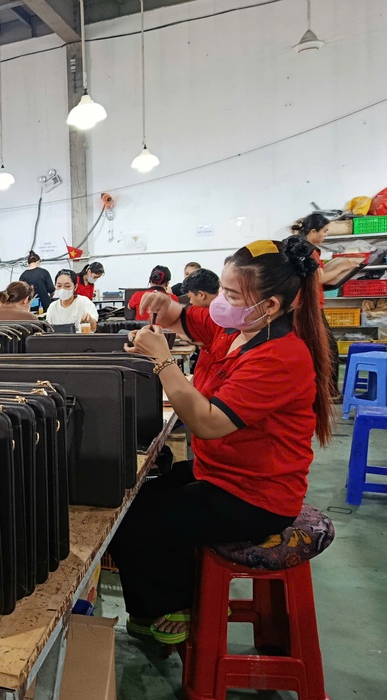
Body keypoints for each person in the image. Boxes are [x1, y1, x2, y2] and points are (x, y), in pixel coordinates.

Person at [108, 237, 332, 647]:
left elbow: (208, 423)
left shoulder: (280, 356)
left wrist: (162, 361)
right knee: (131, 502)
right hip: (221, 472)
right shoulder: (235, 331)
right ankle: (149, 606)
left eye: (231, 295)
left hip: (256, 495)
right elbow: (180, 315)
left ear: (270, 306)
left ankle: (185, 604)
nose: (220, 302)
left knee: (141, 522)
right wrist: (160, 304)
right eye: (222, 290)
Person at [290, 212, 363, 397]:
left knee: (314, 347)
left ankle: (319, 389)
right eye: (324, 231)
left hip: (302, 305)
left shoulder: (301, 247)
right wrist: (344, 266)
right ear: (313, 231)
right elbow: (320, 279)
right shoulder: (308, 250)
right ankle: (329, 392)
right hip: (309, 307)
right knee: (328, 348)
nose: (326, 235)